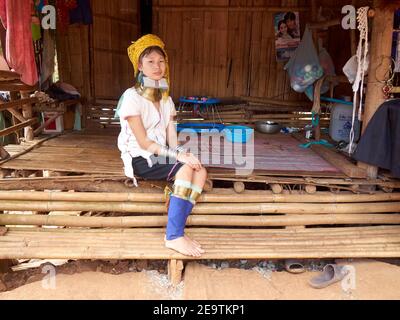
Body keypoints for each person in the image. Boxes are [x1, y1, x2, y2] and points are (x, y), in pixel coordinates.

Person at [117, 34, 207, 257]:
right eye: (150, 62)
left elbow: (172, 137)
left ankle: (175, 206)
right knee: (185, 168)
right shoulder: (131, 98)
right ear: (139, 66)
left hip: (160, 153)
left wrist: (180, 153)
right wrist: (179, 159)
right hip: (140, 156)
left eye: (161, 61)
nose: (157, 67)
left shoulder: (166, 99)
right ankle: (174, 236)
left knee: (200, 170)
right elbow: (144, 142)